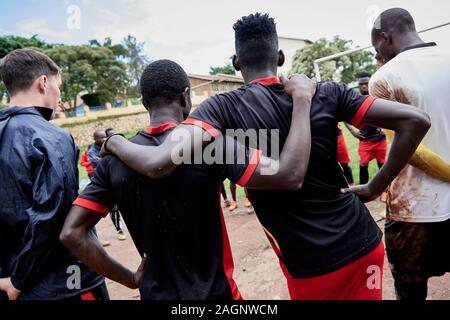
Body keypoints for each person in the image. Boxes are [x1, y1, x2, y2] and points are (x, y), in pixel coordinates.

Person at [103, 13, 431, 300]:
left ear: (235, 62)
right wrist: (376, 185)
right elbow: (415, 121)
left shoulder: (220, 109)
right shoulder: (326, 92)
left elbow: (159, 162)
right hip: (362, 244)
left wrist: (114, 140)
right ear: (281, 57)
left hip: (310, 263)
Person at [60, 59, 316, 300]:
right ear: (185, 96)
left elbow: (72, 233)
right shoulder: (211, 145)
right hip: (219, 294)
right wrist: (302, 100)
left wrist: (130, 279)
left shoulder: (113, 161)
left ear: (144, 102)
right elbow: (288, 175)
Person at [0, 49, 107, 300]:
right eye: (58, 86)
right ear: (43, 82)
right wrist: (19, 279)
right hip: (63, 284)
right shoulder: (51, 136)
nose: (59, 96)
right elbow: (53, 215)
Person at [367, 7, 450, 300]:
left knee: (410, 290)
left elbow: (410, 148)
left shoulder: (384, 78)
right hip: (423, 206)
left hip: (416, 208)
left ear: (384, 38)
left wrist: (375, 186)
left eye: (376, 46)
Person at [345, 73, 387, 187]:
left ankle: (385, 190)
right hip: (365, 140)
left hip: (380, 140)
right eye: (361, 84)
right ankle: (363, 190)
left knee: (382, 164)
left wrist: (384, 126)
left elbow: (388, 112)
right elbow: (343, 116)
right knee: (363, 164)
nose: (364, 86)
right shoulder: (354, 99)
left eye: (366, 83)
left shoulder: (377, 96)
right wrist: (353, 131)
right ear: (358, 85)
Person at [104, 128, 127, 241]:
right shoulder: (97, 151)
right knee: (114, 207)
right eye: (112, 136)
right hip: (108, 182)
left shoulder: (124, 145)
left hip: (122, 181)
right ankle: (119, 229)